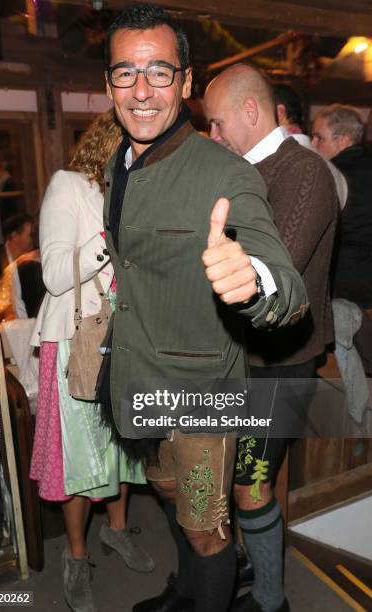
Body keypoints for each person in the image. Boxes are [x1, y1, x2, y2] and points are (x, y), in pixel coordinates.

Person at [102, 5, 308, 612]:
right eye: (125, 73)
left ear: (187, 83)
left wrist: (255, 280)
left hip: (201, 398)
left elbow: (287, 287)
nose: (141, 91)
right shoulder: (122, 161)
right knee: (170, 500)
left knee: (207, 529)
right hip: (139, 382)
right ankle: (186, 593)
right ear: (108, 83)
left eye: (160, 73)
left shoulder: (225, 172)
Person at [205, 65, 338, 612]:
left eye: (216, 124)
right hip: (244, 355)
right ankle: (246, 569)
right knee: (228, 479)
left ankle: (270, 599)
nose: (211, 137)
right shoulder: (242, 171)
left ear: (251, 113)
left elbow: (273, 269)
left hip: (282, 362)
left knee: (251, 486)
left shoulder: (304, 171)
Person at [29, 112, 154, 612]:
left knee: (124, 445)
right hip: (77, 338)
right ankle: (77, 556)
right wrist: (112, 237)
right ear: (113, 143)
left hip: (127, 337)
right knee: (80, 461)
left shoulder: (141, 192)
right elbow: (55, 274)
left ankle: (118, 531)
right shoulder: (68, 185)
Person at [311, 104, 372, 308]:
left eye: (320, 138)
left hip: (338, 286)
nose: (313, 144)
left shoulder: (326, 175)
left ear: (344, 140)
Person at [274, 83, 347, 209]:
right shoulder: (333, 171)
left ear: (280, 112)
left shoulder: (283, 160)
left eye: (320, 138)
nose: (314, 143)